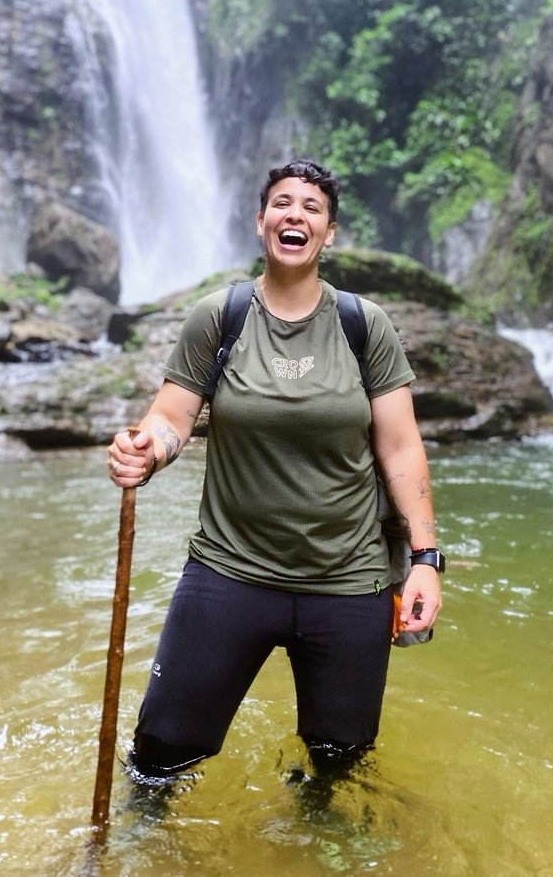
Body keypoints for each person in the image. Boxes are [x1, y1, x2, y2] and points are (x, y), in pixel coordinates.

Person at [106, 159, 442, 783]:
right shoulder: (221, 317)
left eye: (312, 208)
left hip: (348, 582)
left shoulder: (363, 327)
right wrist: (145, 450)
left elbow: (401, 449)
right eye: (282, 204)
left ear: (330, 232)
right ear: (261, 222)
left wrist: (425, 560)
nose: (296, 215)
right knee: (159, 756)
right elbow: (172, 417)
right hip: (230, 572)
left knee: (339, 767)